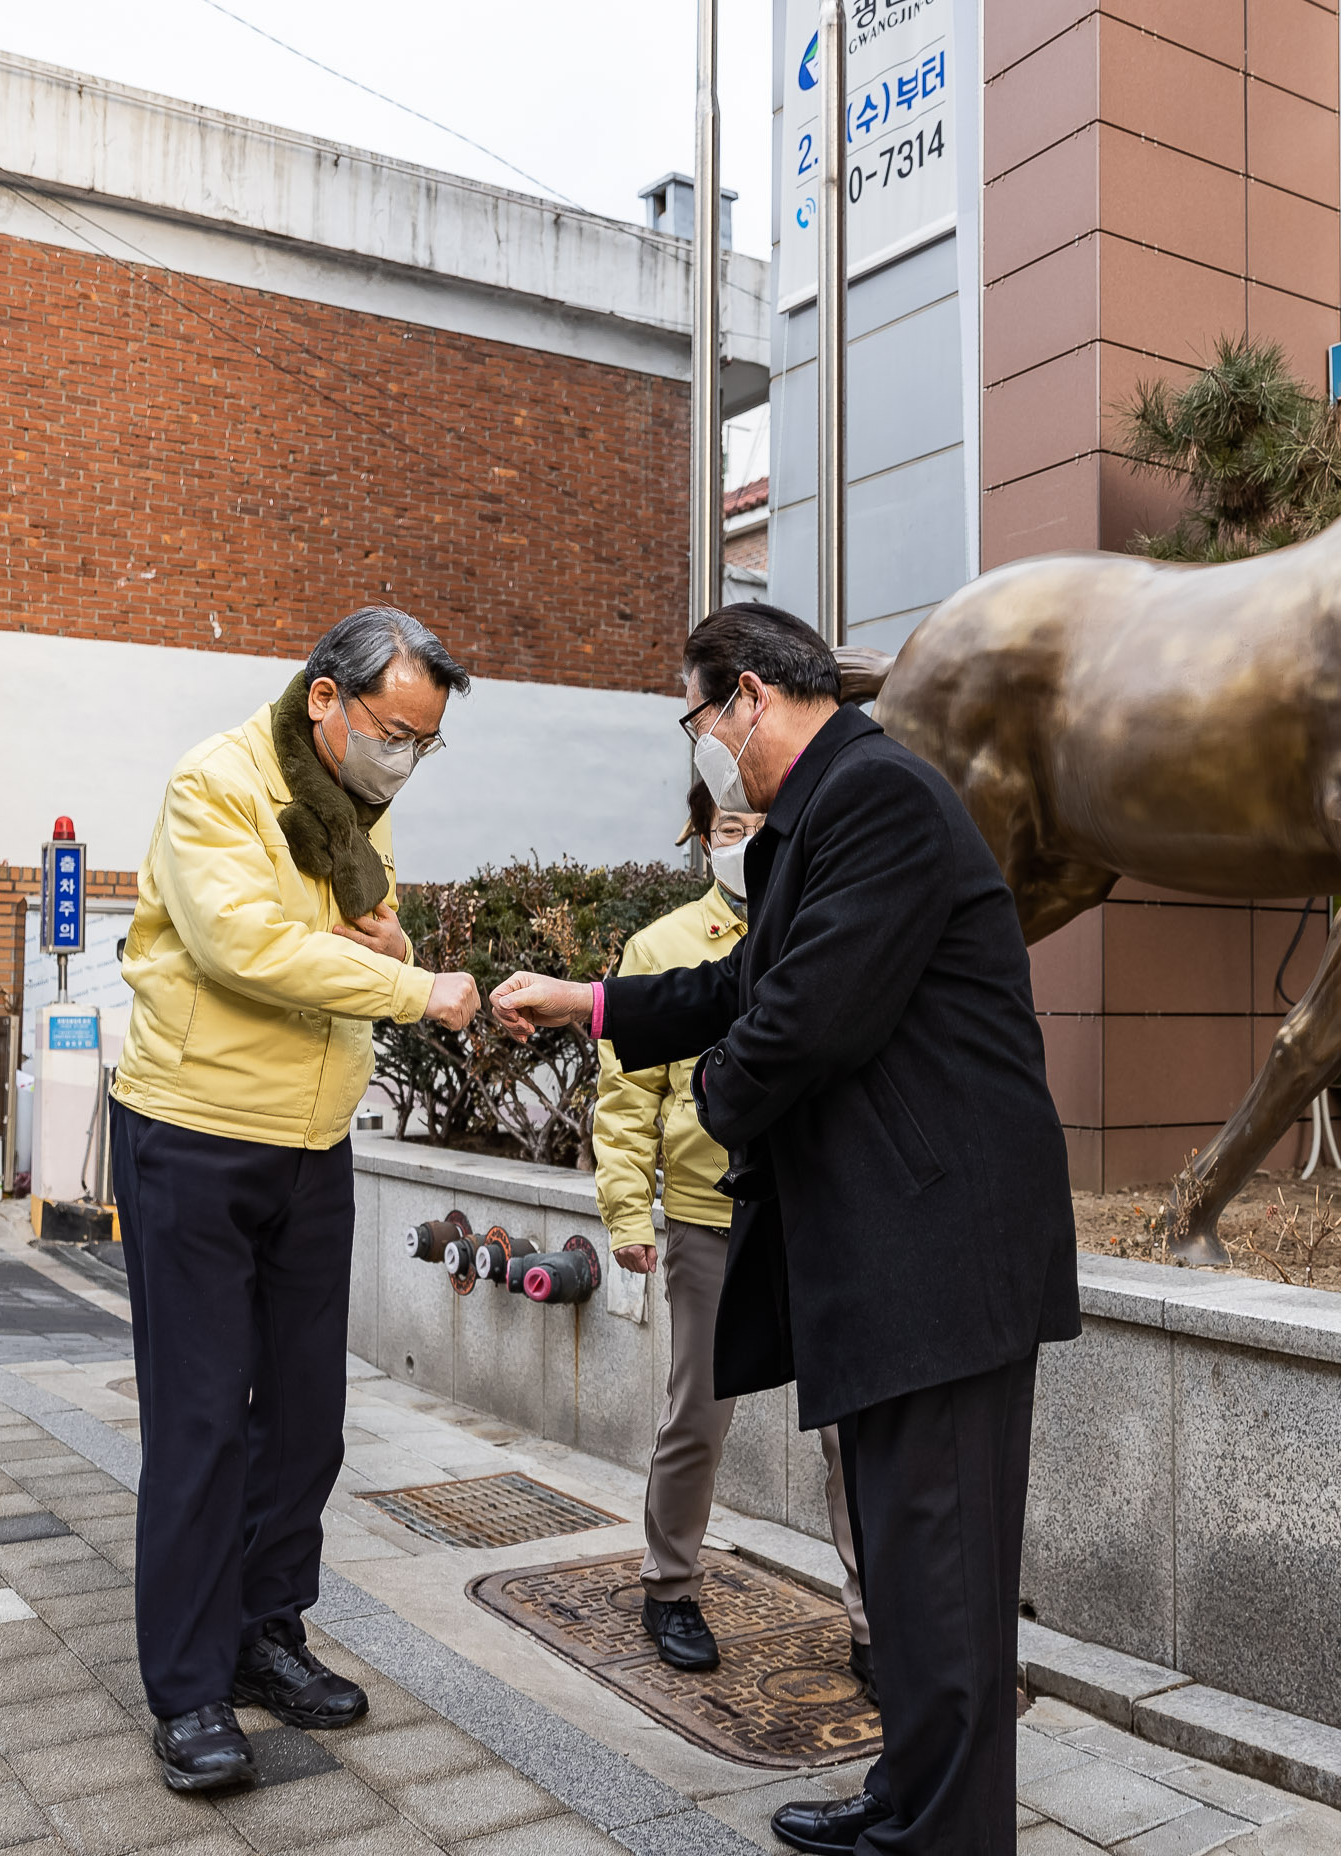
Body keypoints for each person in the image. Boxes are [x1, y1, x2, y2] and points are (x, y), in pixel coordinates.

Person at [493, 603, 1078, 1856]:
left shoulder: (876, 799)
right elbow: (736, 985)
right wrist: (588, 1002)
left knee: (941, 1570)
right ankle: (907, 1791)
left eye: (699, 716)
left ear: (749, 695)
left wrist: (709, 1100)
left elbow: (803, 1018)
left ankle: (949, 1834)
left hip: (941, 1250)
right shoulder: (833, 809)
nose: (704, 743)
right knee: (908, 1566)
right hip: (893, 1250)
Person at [109, 607, 485, 1795]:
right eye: (392, 731)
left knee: (308, 1416)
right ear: (325, 696)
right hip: (198, 1132)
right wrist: (414, 983)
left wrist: (393, 950)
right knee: (204, 1418)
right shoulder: (214, 783)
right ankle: (187, 1686)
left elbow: (363, 944)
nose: (402, 759)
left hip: (313, 1142)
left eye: (423, 743)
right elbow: (246, 948)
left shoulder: (350, 814)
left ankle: (268, 1630)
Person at [595, 781, 870, 1686]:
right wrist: (629, 1212)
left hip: (821, 1219)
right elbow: (628, 1101)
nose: (740, 841)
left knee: (851, 1434)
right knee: (696, 1419)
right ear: (699, 837)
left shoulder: (827, 929)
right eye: (723, 828)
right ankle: (669, 1589)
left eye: (755, 826)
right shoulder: (664, 945)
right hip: (712, 1220)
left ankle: (875, 1622)